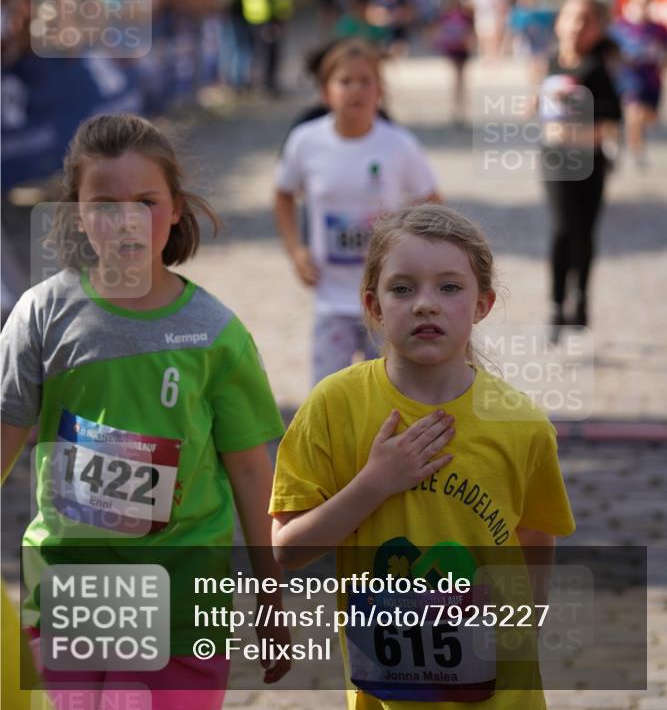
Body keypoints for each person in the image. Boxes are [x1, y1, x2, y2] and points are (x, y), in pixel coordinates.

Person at [0, 113, 290, 709]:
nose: (126, 219)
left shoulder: (215, 334)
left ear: (176, 208)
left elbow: (252, 473)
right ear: (76, 211)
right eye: (104, 202)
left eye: (146, 201)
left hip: (182, 598)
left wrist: (270, 595)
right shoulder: (41, 315)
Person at [271, 203, 576, 710]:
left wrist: (520, 632)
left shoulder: (521, 424)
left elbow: (535, 536)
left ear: (483, 304)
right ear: (373, 304)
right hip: (390, 696)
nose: (425, 305)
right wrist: (375, 483)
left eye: (450, 287)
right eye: (403, 288)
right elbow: (284, 550)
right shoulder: (334, 406)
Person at [274, 40, 441, 385]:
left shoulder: (399, 145)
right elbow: (283, 194)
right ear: (325, 92)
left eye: (366, 81)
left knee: (389, 398)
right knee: (326, 400)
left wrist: (412, 255)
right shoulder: (306, 142)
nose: (356, 90)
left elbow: (432, 202)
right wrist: (295, 250)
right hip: (331, 301)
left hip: (389, 303)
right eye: (345, 81)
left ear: (380, 91)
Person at [539, 0, 622, 332]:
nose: (575, 27)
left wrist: (575, 116)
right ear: (558, 23)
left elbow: (611, 116)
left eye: (583, 20)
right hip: (555, 160)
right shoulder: (551, 62)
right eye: (569, 19)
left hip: (590, 162)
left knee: (585, 232)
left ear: (594, 29)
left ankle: (582, 299)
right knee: (561, 229)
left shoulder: (597, 69)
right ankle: (557, 304)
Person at [609, 0, 667, 166]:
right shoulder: (621, 27)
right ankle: (636, 150)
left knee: (650, 117)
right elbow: (609, 53)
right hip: (629, 80)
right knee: (634, 114)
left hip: (651, 80)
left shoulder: (659, 29)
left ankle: (629, 137)